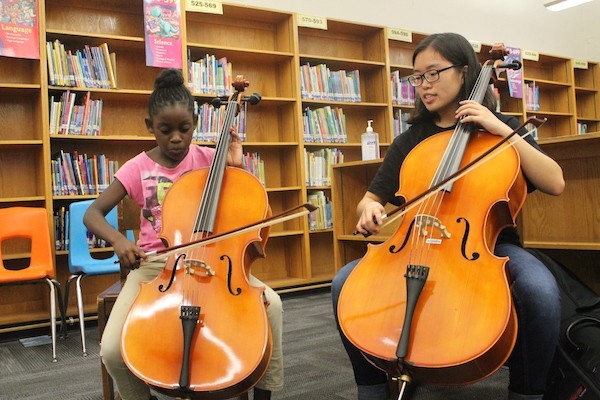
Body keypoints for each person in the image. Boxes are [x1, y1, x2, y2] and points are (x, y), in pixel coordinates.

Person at [331, 32, 565, 400]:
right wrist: (371, 210)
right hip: (414, 241)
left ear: (465, 71)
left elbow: (555, 182)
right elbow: (369, 201)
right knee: (344, 282)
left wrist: (501, 127)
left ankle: (528, 391)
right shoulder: (411, 140)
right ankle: (372, 386)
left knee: (541, 292)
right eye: (416, 77)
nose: (423, 85)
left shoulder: (499, 129)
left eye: (433, 73)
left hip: (488, 245)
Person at [84, 68, 283, 400]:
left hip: (215, 266)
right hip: (156, 267)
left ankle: (265, 393)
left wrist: (235, 166)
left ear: (195, 122)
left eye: (184, 129)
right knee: (112, 350)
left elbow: (249, 208)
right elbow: (93, 214)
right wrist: (119, 240)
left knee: (272, 306)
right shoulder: (136, 168)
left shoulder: (209, 158)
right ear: (150, 126)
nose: (176, 138)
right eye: (165, 130)